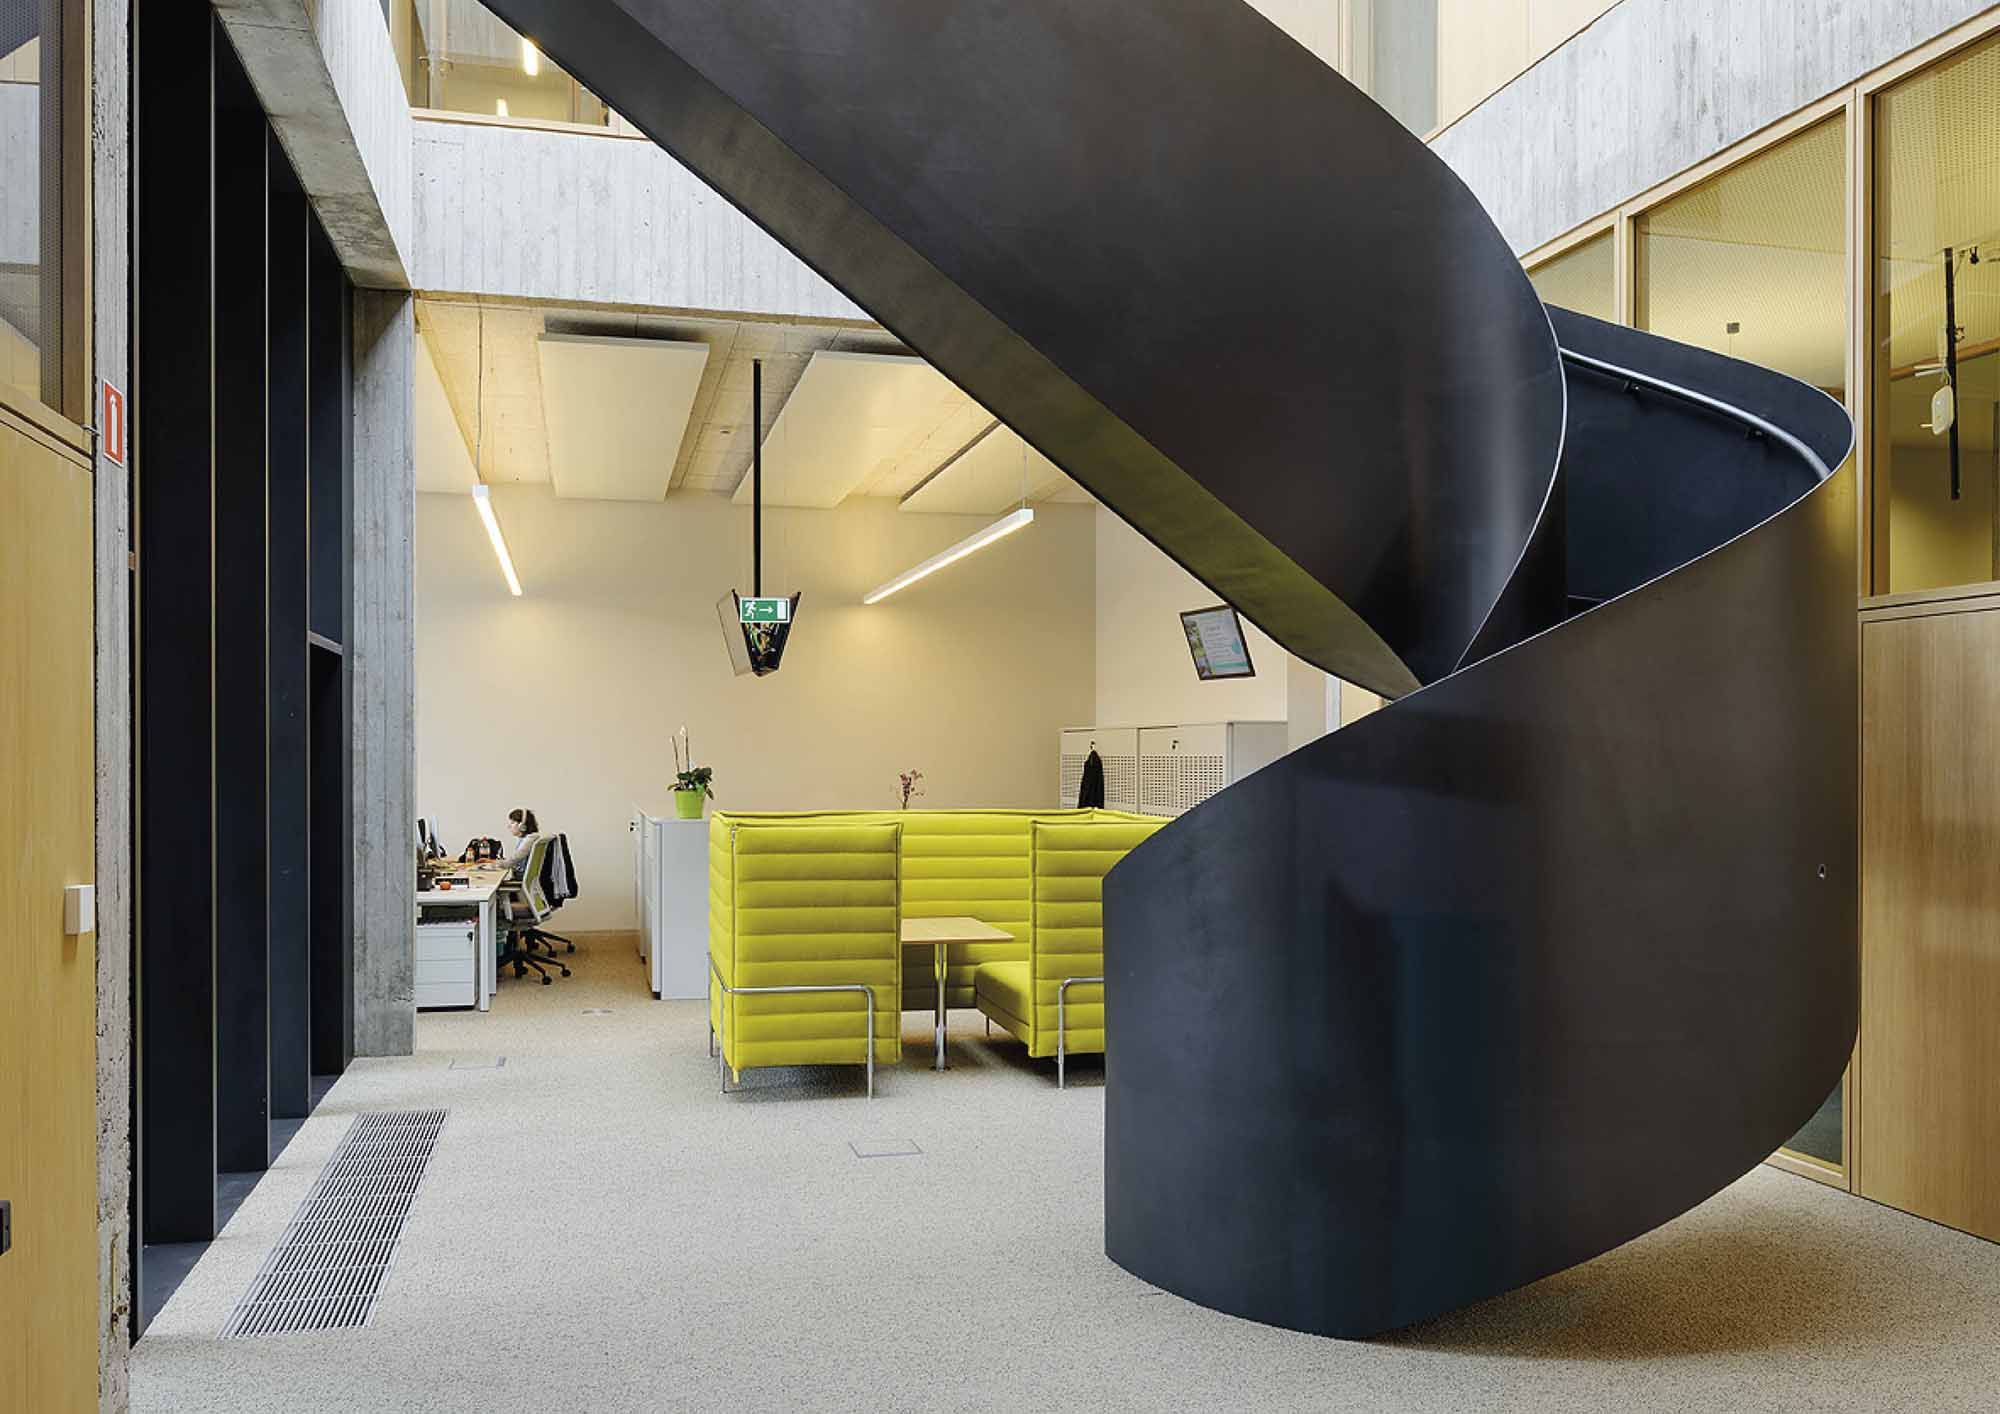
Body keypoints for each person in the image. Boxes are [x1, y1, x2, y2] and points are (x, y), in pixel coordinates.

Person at [505, 808, 541, 876]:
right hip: (520, 875)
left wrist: (494, 864)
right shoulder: (524, 839)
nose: (509, 826)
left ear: (522, 826)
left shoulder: (530, 839)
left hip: (520, 876)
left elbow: (514, 859)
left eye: (512, 823)